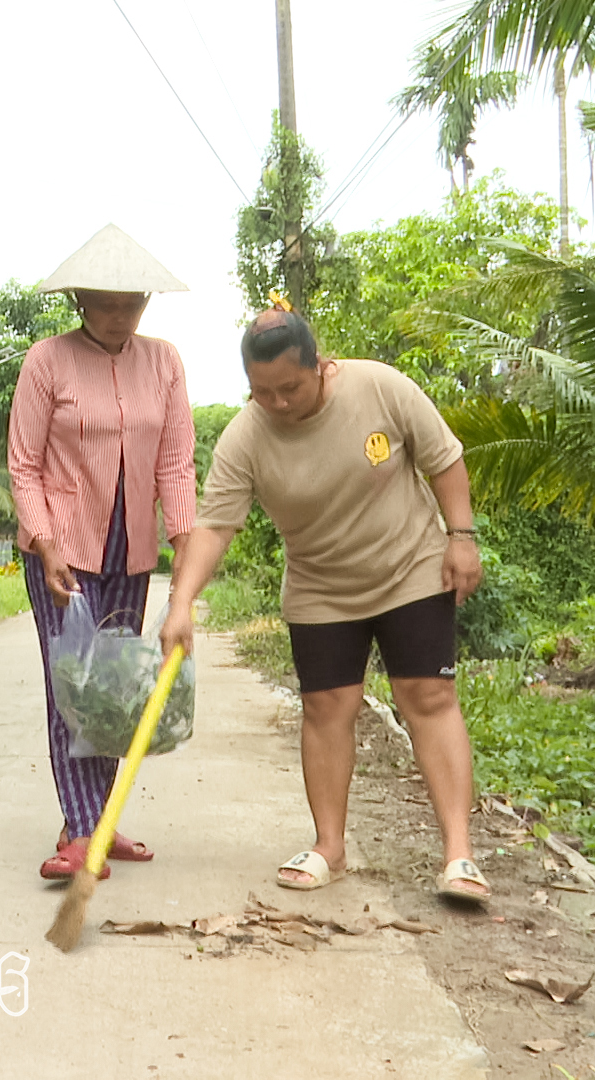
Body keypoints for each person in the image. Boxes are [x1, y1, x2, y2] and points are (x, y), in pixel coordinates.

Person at [162, 308, 490, 902]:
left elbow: (444, 459)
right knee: (326, 707)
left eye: (290, 387)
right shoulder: (245, 436)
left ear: (321, 364)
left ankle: (459, 855)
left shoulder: (379, 387)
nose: (279, 403)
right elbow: (214, 526)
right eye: (263, 392)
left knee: (429, 697)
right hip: (319, 585)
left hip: (409, 567)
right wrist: (181, 602)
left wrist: (461, 537)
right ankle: (330, 847)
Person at [7, 223, 196, 883]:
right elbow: (24, 465)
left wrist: (185, 567)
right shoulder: (46, 361)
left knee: (114, 692)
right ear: (80, 301)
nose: (119, 316)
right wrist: (47, 541)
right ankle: (85, 829)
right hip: (62, 549)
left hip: (130, 549)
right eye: (105, 303)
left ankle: (93, 821)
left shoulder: (165, 362)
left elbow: (176, 466)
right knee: (73, 689)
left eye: (132, 303)